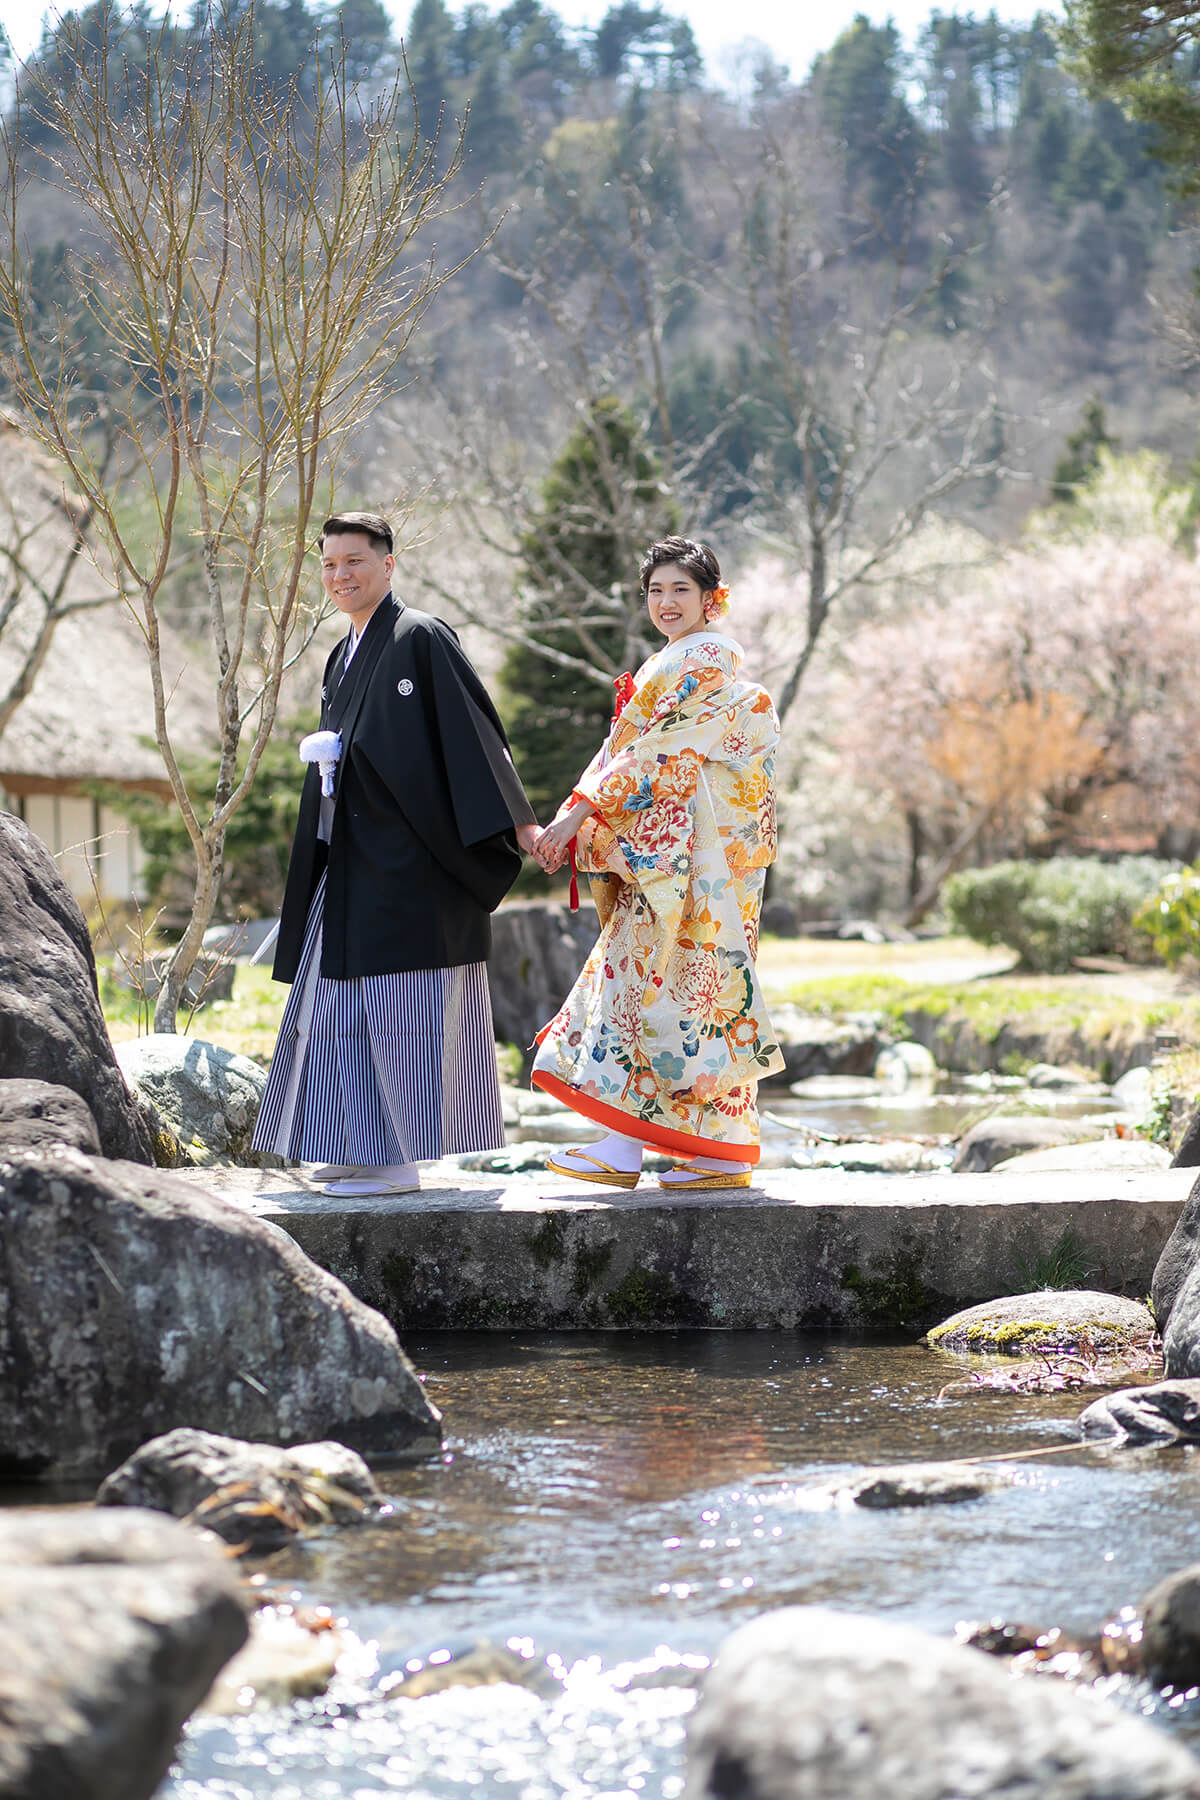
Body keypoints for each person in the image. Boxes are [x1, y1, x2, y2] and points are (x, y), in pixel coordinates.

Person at [252, 511, 539, 1195]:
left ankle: (399, 1160)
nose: (340, 575)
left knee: (400, 1009)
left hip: (413, 866)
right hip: (351, 859)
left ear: (388, 563)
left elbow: (474, 737)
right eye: (328, 565)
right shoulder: (340, 655)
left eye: (354, 561)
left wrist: (518, 824)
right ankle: (353, 1145)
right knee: (333, 1007)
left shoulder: (420, 638)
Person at [530, 535, 783, 1190]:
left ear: (711, 599)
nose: (666, 603)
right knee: (698, 998)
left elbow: (649, 760)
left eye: (681, 590)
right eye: (656, 591)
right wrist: (580, 812)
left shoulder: (701, 666)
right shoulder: (674, 664)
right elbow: (636, 753)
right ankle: (716, 1150)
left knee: (642, 990)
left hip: (686, 862)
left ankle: (622, 1148)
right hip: (695, 862)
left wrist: (575, 817)